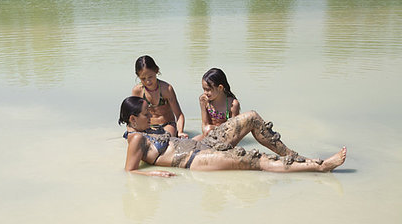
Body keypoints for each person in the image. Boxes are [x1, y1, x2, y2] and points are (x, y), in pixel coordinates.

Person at [119, 96, 346, 177]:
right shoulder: (136, 139)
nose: (151, 116)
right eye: (146, 114)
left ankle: (294, 156)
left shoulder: (145, 132)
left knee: (251, 117)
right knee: (257, 161)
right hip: (197, 159)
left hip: (202, 144)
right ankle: (321, 166)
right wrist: (155, 174)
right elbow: (130, 171)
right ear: (132, 119)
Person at [131, 55, 187, 138]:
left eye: (150, 77)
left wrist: (180, 132)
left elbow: (179, 114)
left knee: (166, 140)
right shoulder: (137, 91)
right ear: (138, 76)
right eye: (143, 78)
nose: (148, 81)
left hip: (167, 125)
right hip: (148, 127)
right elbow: (134, 117)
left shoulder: (166, 89)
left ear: (156, 71)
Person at [199, 68, 241, 136]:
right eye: (204, 89)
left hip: (225, 136)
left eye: (208, 90)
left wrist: (213, 128)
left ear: (220, 88)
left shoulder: (232, 105)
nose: (205, 93)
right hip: (208, 134)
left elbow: (234, 130)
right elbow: (204, 125)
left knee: (209, 129)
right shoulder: (205, 101)